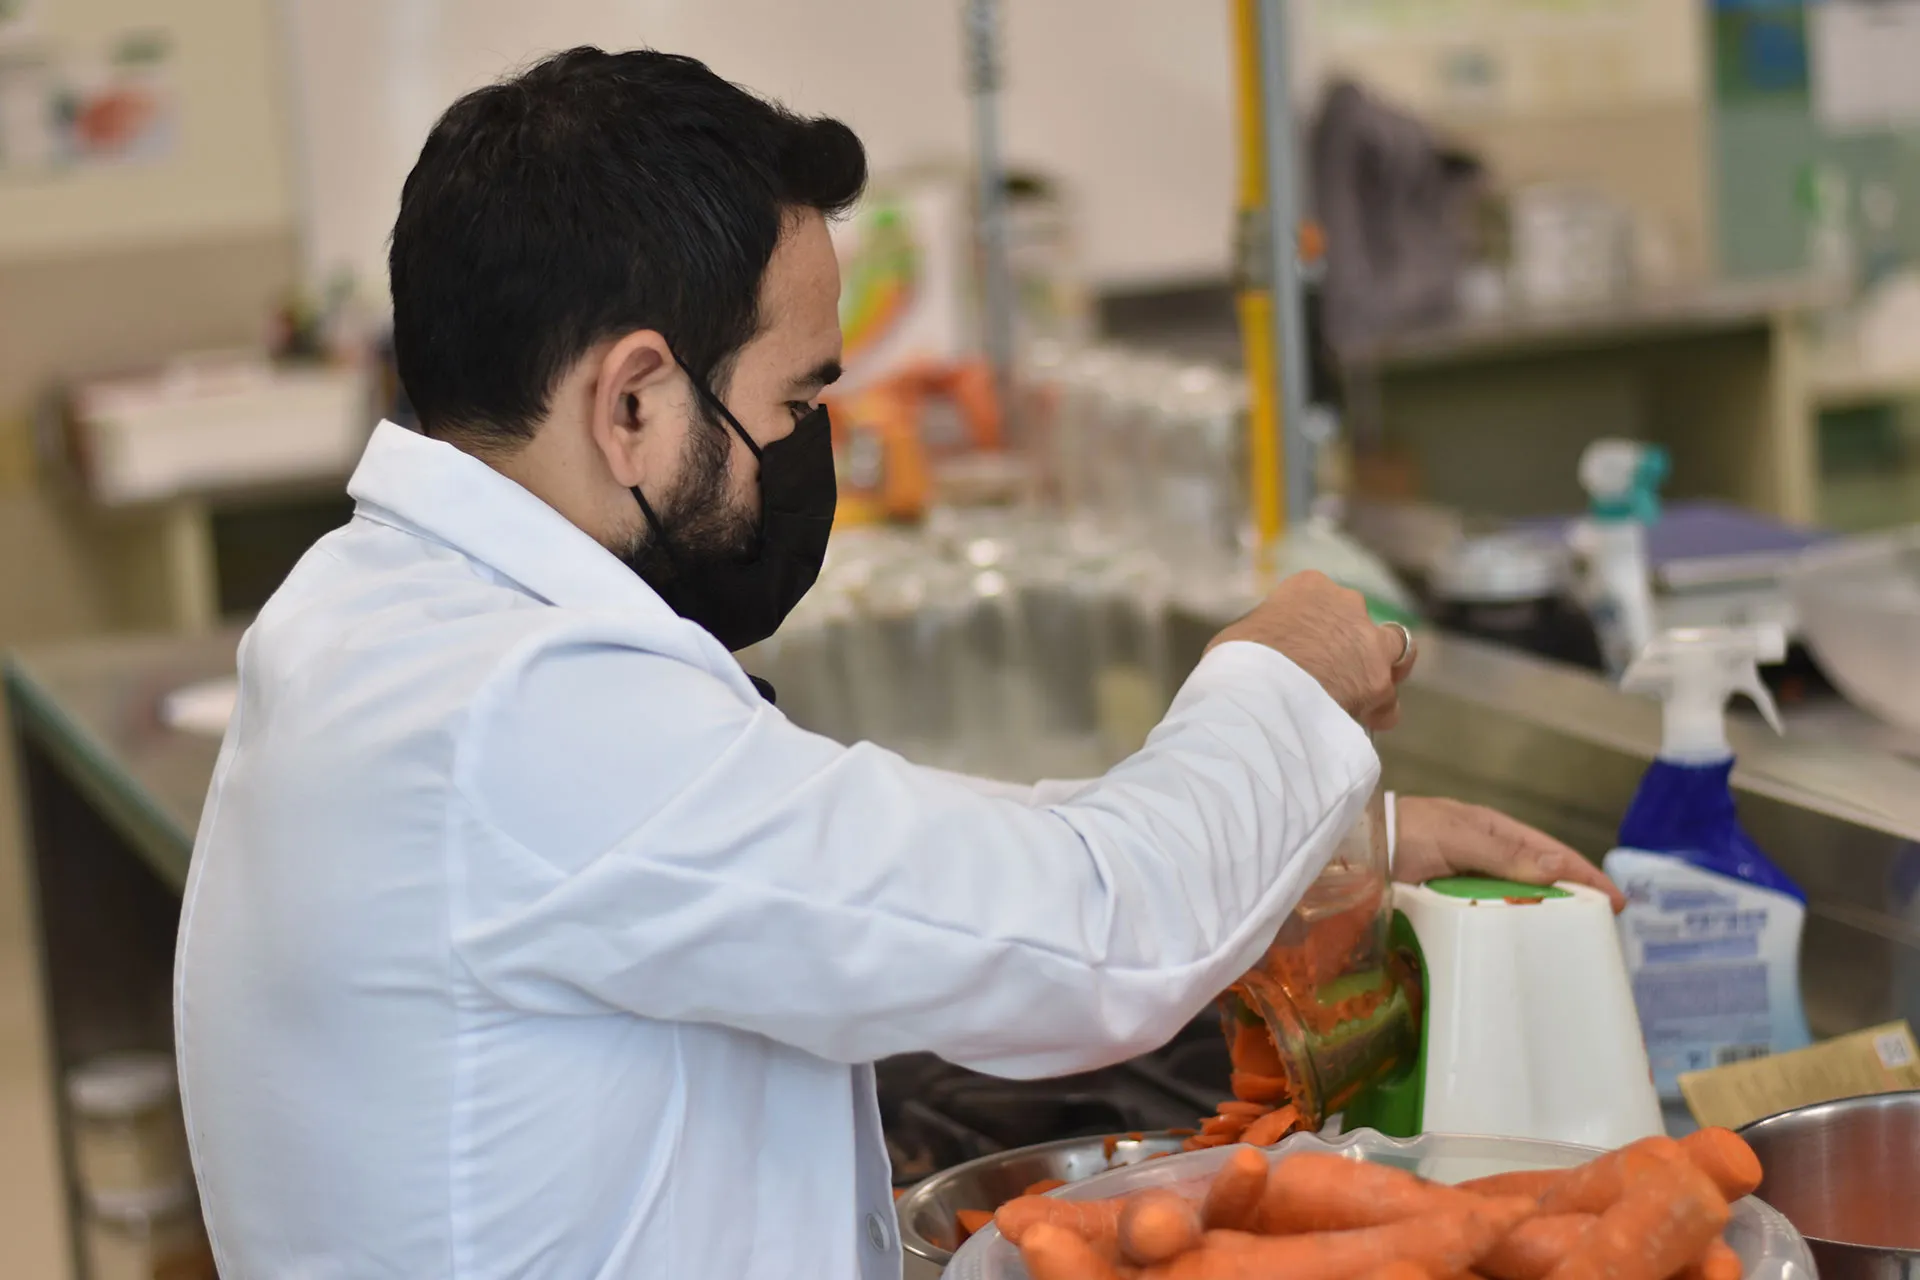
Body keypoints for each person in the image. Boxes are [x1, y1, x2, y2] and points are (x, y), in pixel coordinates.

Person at [173, 48, 1619, 1280]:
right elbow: (1090, 947)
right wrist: (1279, 676)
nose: (817, 449)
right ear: (632, 403)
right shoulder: (523, 709)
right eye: (796, 400)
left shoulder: (378, 615)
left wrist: (1324, 851)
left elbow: (856, 872)